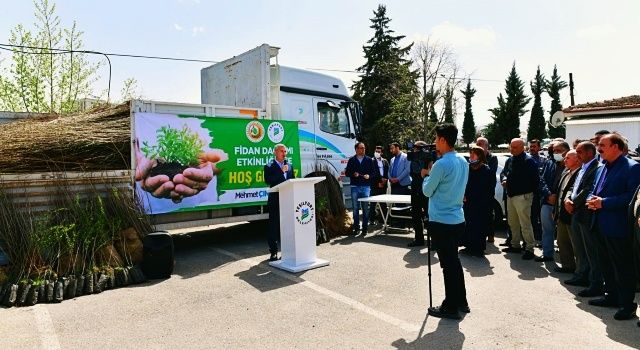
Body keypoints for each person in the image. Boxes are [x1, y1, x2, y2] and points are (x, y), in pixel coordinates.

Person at [586, 133, 640, 320]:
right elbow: (594, 190)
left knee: (622, 267)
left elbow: (632, 198)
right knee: (606, 263)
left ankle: (627, 305)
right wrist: (591, 200)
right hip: (599, 224)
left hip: (619, 227)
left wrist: (604, 203)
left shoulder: (632, 168)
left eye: (602, 144)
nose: (598, 148)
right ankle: (611, 296)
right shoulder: (602, 168)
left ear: (616, 147)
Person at [422, 123, 470, 320]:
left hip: (442, 221)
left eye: (435, 139)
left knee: (448, 265)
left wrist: (426, 175)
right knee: (454, 262)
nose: (434, 143)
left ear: (442, 139)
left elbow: (427, 191)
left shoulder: (441, 164)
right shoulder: (463, 161)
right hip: (457, 218)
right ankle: (461, 301)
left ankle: (451, 306)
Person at [563, 141, 602, 293]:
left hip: (586, 214)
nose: (577, 156)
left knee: (591, 251)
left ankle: (594, 283)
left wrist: (573, 203)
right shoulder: (582, 168)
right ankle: (581, 275)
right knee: (580, 249)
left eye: (579, 152)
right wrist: (567, 198)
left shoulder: (596, 168)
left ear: (589, 153)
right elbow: (574, 187)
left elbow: (588, 190)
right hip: (576, 214)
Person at [501, 138, 540, 260]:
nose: (512, 149)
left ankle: (529, 248)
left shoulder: (529, 161)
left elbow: (535, 180)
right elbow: (504, 172)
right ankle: (515, 245)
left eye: (515, 147)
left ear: (522, 147)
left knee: (525, 223)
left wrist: (526, 192)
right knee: (512, 222)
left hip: (523, 196)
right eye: (511, 147)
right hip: (511, 195)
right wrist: (504, 179)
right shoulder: (510, 160)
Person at [537, 141, 570, 262]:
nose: (556, 153)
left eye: (558, 150)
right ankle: (547, 254)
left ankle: (567, 260)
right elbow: (541, 180)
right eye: (554, 151)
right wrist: (549, 195)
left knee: (564, 234)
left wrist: (560, 198)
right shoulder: (549, 162)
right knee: (547, 229)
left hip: (563, 204)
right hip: (548, 201)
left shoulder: (572, 164)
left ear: (566, 150)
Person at [461, 146, 495, 257]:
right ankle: (469, 246)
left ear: (479, 156)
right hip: (468, 203)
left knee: (479, 226)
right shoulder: (468, 169)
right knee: (469, 224)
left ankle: (478, 249)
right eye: (470, 154)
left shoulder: (487, 170)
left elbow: (489, 189)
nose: (471, 156)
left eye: (473, 154)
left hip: (481, 204)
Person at [264, 144, 296, 261]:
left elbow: (292, 180)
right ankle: (273, 252)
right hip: (275, 200)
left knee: (287, 225)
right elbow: (268, 180)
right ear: (275, 152)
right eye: (282, 151)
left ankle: (287, 251)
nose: (284, 153)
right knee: (273, 226)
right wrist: (280, 172)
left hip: (287, 199)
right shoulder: (269, 166)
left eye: (285, 151)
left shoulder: (290, 166)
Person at [553, 149, 581, 272]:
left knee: (576, 244)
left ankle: (580, 270)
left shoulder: (579, 174)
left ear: (577, 160)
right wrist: (555, 210)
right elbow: (560, 192)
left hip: (571, 214)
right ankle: (567, 266)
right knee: (562, 241)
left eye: (568, 158)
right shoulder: (566, 172)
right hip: (561, 213)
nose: (564, 160)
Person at [345, 142, 375, 236]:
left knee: (366, 208)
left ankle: (365, 228)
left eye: (364, 148)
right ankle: (356, 228)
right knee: (355, 208)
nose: (363, 150)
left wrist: (369, 176)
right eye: (361, 148)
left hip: (366, 187)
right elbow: (347, 173)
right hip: (355, 187)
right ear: (356, 149)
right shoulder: (351, 160)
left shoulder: (369, 160)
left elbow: (374, 173)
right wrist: (353, 174)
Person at [407, 141, 433, 247]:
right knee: (415, 215)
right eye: (414, 149)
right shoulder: (413, 158)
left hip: (425, 188)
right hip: (415, 188)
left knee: (429, 215)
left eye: (417, 148)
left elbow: (431, 172)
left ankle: (433, 241)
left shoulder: (429, 157)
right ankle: (419, 239)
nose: (414, 150)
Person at [476, 136, 498, 243]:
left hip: (488, 190)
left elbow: (490, 172)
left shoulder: (492, 158)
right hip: (476, 189)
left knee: (488, 213)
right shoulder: (475, 157)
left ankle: (490, 234)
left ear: (486, 146)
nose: (478, 146)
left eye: (480, 144)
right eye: (477, 144)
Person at [528, 139, 545, 244]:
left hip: (541, 192)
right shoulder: (526, 159)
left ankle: (540, 236)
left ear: (539, 147)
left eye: (534, 146)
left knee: (541, 216)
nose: (532, 148)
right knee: (531, 215)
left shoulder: (543, 160)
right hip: (529, 192)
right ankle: (533, 236)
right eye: (531, 146)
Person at [369, 145, 389, 226]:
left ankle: (382, 220)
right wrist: (378, 182)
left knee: (383, 203)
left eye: (379, 152)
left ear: (382, 153)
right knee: (373, 203)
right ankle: (372, 220)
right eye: (376, 151)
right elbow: (372, 173)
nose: (377, 153)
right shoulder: (371, 161)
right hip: (374, 184)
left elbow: (387, 171)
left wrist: (385, 180)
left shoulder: (385, 161)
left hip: (383, 185)